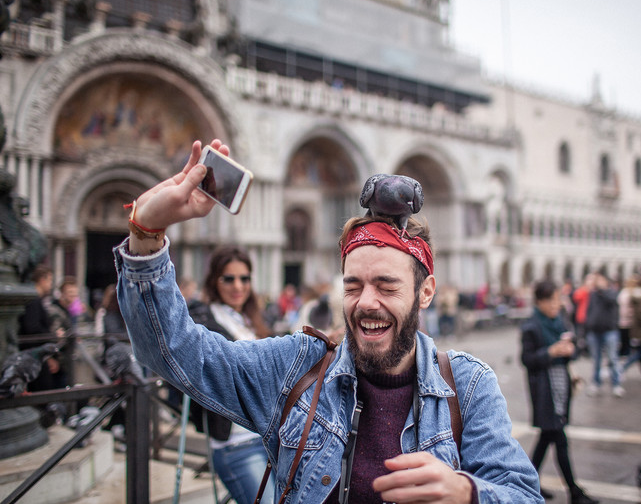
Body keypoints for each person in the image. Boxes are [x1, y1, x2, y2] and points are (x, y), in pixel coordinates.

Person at [114, 139, 543, 503]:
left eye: (387, 286)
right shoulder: (296, 367)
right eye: (353, 285)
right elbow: (175, 352)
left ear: (425, 292)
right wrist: (147, 234)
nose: (366, 303)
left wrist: (467, 493)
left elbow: (523, 492)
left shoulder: (468, 386)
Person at [186, 246, 274, 504]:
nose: (238, 286)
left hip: (269, 441)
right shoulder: (203, 321)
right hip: (235, 445)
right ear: (215, 280)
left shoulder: (252, 320)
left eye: (244, 278)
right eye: (229, 278)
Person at [521, 280, 599, 504]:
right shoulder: (531, 326)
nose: (557, 304)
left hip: (561, 386)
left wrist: (570, 350)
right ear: (540, 302)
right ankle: (574, 491)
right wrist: (551, 351)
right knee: (559, 438)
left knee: (547, 437)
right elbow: (527, 360)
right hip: (545, 390)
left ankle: (528, 483)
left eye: (558, 299)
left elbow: (572, 355)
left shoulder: (560, 322)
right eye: (552, 300)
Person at [17, 265, 67, 393]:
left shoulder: (33, 299)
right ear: (42, 280)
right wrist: (54, 335)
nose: (51, 285)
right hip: (34, 359)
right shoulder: (33, 300)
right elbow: (33, 329)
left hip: (35, 357)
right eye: (50, 280)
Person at [584, 272, 623, 397]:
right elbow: (590, 310)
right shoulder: (593, 294)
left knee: (612, 358)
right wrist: (588, 325)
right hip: (594, 331)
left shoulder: (611, 292)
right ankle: (596, 383)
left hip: (609, 330)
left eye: (600, 280)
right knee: (596, 360)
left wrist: (602, 289)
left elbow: (611, 300)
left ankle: (616, 384)